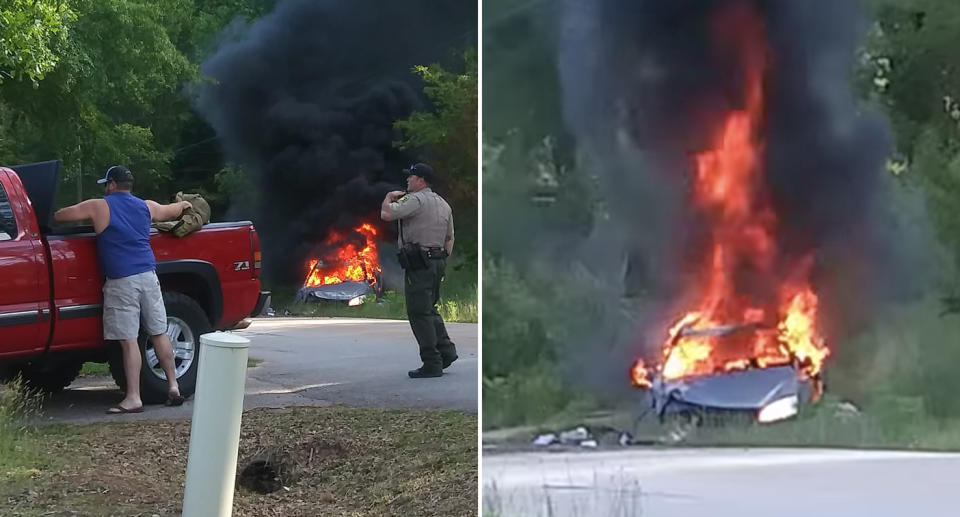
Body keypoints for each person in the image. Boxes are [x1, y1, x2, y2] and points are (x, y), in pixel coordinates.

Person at [54, 165, 192, 413]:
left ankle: (133, 398)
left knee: (129, 342)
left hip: (121, 281)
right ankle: (173, 386)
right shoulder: (146, 206)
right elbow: (170, 211)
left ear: (112, 185)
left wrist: (58, 209)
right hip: (149, 276)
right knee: (159, 332)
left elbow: (61, 216)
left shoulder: (99, 206)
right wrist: (184, 206)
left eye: (106, 184)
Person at [380, 163, 457, 378]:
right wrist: (441, 261)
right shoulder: (444, 204)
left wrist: (388, 196)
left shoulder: (414, 200)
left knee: (418, 312)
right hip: (437, 261)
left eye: (411, 177)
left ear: (421, 180)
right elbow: (450, 238)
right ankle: (447, 352)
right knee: (429, 308)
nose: (407, 180)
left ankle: (432, 362)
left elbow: (386, 214)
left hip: (419, 264)